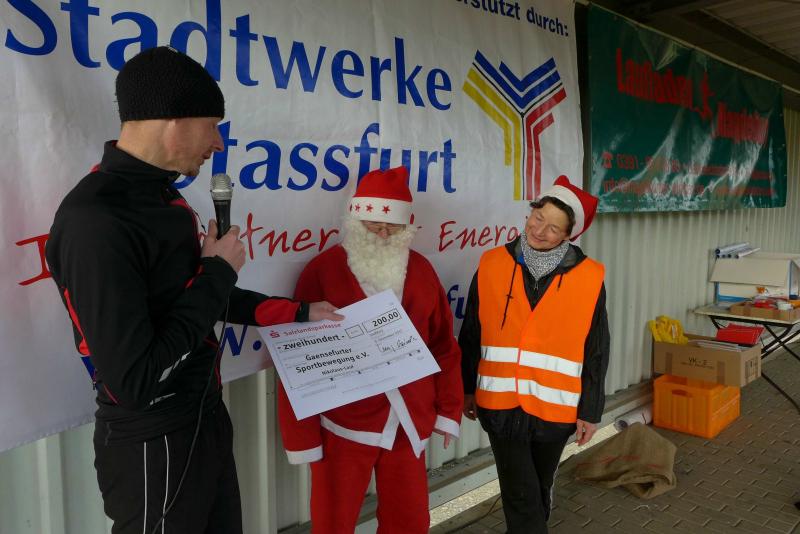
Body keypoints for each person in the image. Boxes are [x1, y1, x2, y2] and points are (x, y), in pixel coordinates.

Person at [45, 46, 340, 534]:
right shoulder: (95, 219)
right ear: (174, 121)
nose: (218, 143)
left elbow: (197, 298)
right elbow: (135, 381)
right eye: (212, 126)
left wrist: (301, 313)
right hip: (153, 438)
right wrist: (218, 272)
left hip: (204, 416)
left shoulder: (163, 197)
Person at [277, 166, 463, 533]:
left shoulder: (422, 271)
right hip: (342, 421)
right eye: (373, 223)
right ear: (355, 219)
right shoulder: (322, 271)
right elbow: (297, 359)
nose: (382, 232)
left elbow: (443, 344)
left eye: (392, 225)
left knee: (409, 521)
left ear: (406, 225)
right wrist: (302, 436)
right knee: (333, 522)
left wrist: (448, 408)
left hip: (408, 417)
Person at [459, 175, 610, 533]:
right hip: (500, 402)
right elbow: (471, 332)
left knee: (538, 487)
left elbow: (596, 348)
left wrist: (590, 410)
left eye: (553, 228)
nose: (540, 231)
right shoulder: (491, 263)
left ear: (568, 235)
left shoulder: (589, 277)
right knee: (520, 494)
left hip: (555, 408)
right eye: (537, 218)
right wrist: (466, 388)